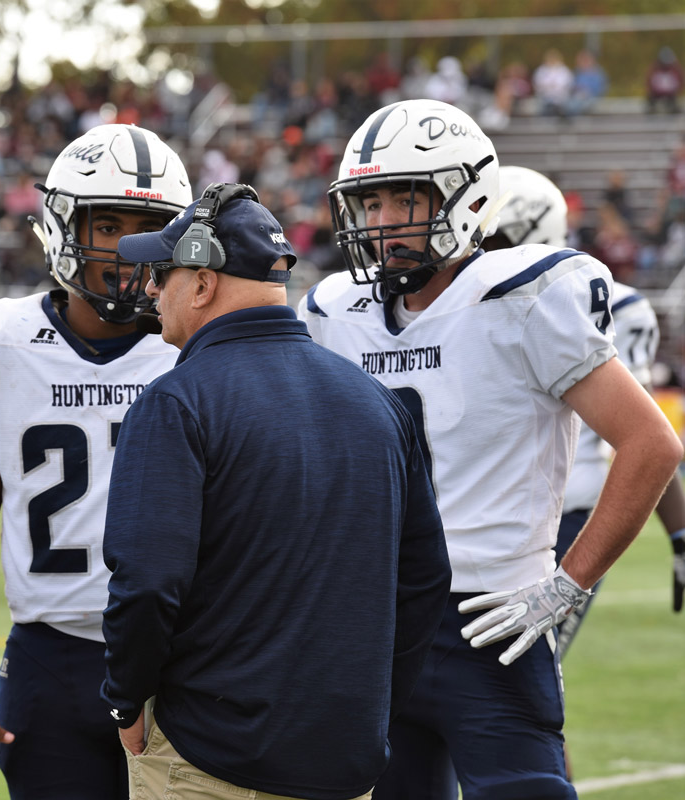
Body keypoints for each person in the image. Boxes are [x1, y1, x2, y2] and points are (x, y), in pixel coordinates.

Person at [297, 99, 683, 799]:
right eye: (371, 202)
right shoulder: (335, 313)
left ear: (467, 197)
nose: (384, 223)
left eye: (406, 198)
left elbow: (652, 443)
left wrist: (568, 583)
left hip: (493, 619)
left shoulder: (521, 297)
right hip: (379, 623)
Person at [101, 183, 452, 800]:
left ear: (204, 283)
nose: (152, 289)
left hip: (206, 758)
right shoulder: (376, 402)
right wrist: (370, 706)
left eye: (163, 272)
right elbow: (424, 579)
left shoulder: (175, 402)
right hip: (343, 761)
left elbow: (148, 583)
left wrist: (126, 701)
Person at [0, 123, 193, 800]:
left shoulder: (202, 346)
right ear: (63, 226)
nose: (131, 247)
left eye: (149, 226)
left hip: (187, 655)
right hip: (51, 660)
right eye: (109, 224)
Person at [485, 165, 685, 630]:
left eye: (494, 240)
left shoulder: (611, 304)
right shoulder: (455, 302)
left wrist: (679, 532)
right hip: (475, 518)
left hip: (563, 513)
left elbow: (640, 434)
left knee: (522, 673)